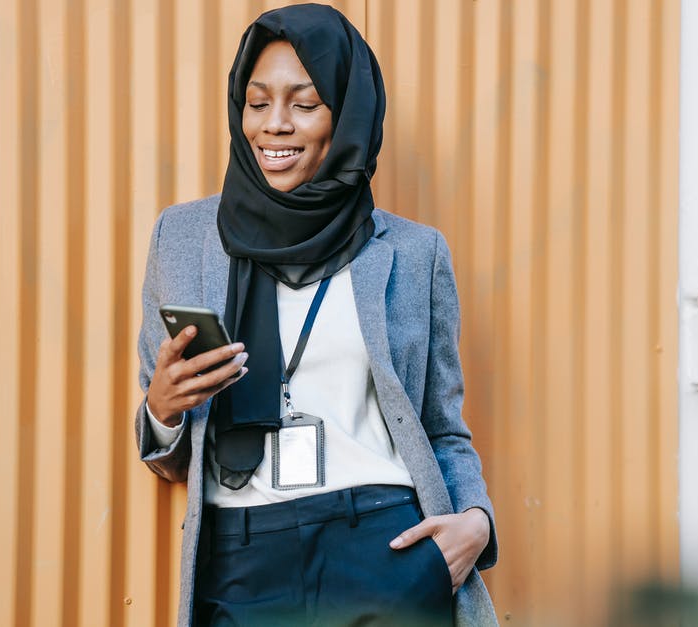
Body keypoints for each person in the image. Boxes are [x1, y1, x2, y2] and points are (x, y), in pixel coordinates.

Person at [133, 4, 498, 626]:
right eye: (257, 102)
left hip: (384, 547)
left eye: (304, 105)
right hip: (241, 555)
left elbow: (442, 425)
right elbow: (172, 455)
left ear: (347, 116)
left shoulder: (413, 253)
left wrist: (475, 525)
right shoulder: (184, 238)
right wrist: (162, 412)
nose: (274, 125)